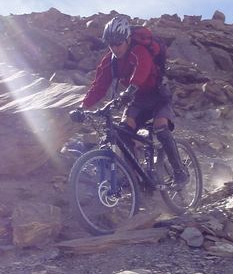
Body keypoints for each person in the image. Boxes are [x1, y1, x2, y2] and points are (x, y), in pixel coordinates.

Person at [79, 16, 188, 184]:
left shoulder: (139, 51)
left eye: (118, 43)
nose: (115, 48)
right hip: (136, 100)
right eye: (111, 44)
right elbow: (99, 86)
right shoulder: (110, 61)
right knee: (123, 132)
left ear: (128, 39)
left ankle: (179, 171)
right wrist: (83, 107)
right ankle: (135, 175)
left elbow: (142, 69)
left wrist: (131, 88)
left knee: (160, 128)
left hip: (158, 96)